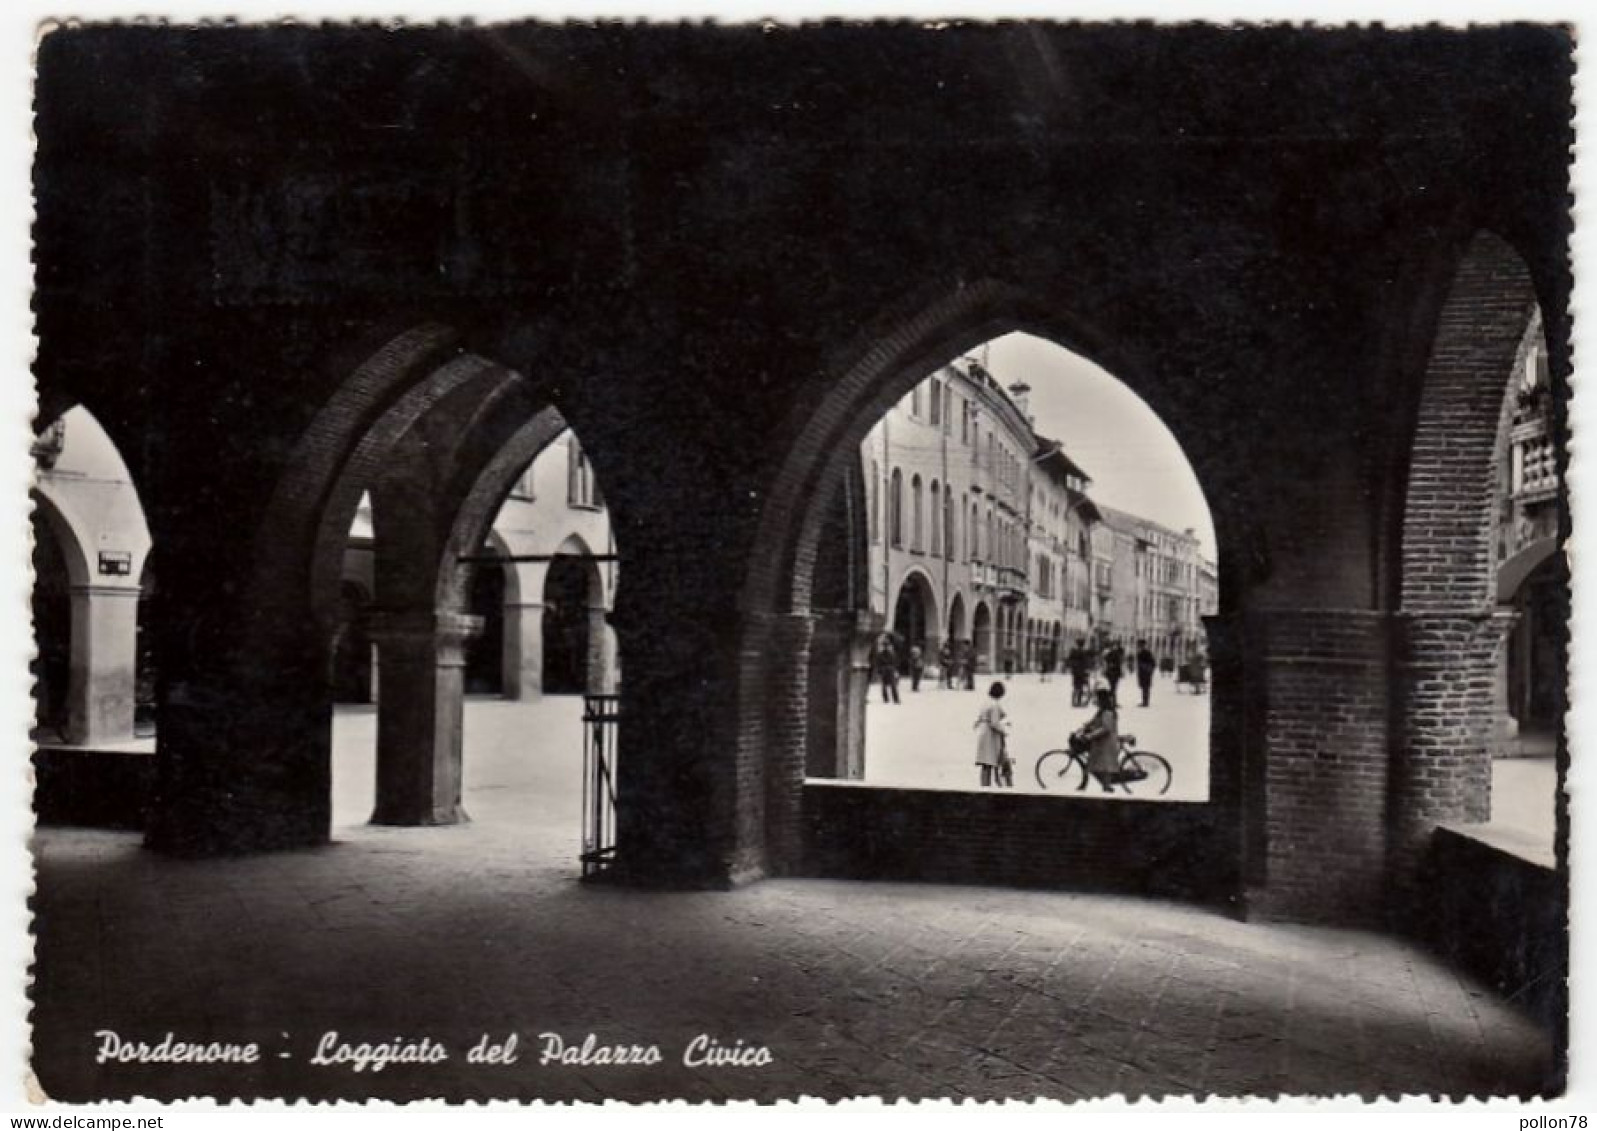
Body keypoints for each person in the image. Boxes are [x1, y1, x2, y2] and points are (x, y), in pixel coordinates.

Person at [1076, 687, 1121, 792]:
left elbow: (1106, 728)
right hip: (1100, 742)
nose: (1095, 701)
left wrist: (1090, 736)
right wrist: (1085, 727)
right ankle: (1102, 786)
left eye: (1097, 699)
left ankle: (1106, 787)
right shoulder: (1102, 711)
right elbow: (1093, 721)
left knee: (1105, 767)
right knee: (1097, 764)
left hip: (1105, 744)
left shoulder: (1107, 712)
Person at [973, 681, 1012, 788]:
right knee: (989, 761)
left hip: (983, 732)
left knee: (985, 763)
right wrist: (1003, 731)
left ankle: (984, 785)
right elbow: (994, 722)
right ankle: (987, 786)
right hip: (990, 735)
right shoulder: (994, 704)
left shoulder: (986, 702)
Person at [873, 637, 900, 705]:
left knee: (887, 685)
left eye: (886, 645)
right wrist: (895, 670)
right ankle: (894, 699)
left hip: (886, 670)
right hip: (888, 670)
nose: (886, 646)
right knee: (890, 685)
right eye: (885, 645)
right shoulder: (891, 654)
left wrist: (879, 671)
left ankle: (888, 699)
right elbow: (895, 663)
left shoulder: (883, 654)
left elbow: (878, 663)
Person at [1067, 639, 1091, 707]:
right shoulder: (1083, 652)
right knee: (1081, 687)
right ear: (1083, 645)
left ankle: (1073, 701)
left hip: (1075, 671)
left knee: (1075, 686)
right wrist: (1087, 670)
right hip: (1081, 672)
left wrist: (1072, 667)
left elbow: (1069, 660)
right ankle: (1078, 702)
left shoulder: (1073, 652)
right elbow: (1086, 662)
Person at [1135, 641, 1158, 708]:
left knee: (1145, 687)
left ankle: (1145, 702)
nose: (1139, 647)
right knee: (1144, 687)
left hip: (1145, 673)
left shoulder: (1146, 653)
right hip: (1143, 673)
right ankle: (1145, 701)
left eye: (1140, 645)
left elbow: (1153, 663)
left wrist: (1148, 669)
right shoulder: (1141, 653)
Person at [1103, 642, 1125, 707]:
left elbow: (1107, 662)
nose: (1115, 647)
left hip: (1111, 673)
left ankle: (1112, 702)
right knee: (1113, 688)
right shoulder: (1114, 654)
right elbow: (1117, 665)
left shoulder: (1109, 654)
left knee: (1112, 688)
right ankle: (1112, 703)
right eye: (1114, 646)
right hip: (1113, 673)